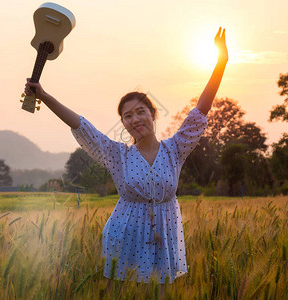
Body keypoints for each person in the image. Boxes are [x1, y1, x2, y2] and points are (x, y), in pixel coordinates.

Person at [24, 27, 228, 291]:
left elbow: (201, 110)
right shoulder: (117, 155)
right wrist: (44, 96)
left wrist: (221, 62)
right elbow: (82, 126)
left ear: (152, 115)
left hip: (164, 238)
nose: (134, 119)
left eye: (140, 112)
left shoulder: (175, 149)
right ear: (123, 123)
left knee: (161, 293)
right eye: (127, 116)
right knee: (118, 294)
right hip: (125, 236)